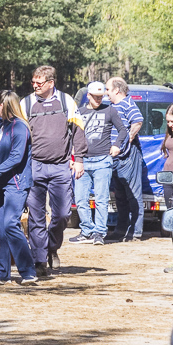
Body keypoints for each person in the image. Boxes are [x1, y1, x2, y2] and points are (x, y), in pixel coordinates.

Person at [21, 65, 82, 275]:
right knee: (36, 216)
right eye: (33, 82)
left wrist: (79, 159)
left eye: (39, 83)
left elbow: (78, 130)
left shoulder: (66, 101)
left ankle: (51, 248)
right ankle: (39, 261)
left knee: (63, 214)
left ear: (50, 83)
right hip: (34, 166)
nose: (35, 86)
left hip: (60, 166)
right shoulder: (26, 103)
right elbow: (19, 133)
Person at [0, 91, 36, 285]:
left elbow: (16, 157)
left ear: (5, 105)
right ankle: (2, 272)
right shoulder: (1, 125)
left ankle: (28, 271)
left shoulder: (20, 127)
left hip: (16, 183)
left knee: (11, 224)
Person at [70, 81, 127, 245]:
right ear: (88, 95)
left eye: (101, 97)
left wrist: (116, 145)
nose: (98, 100)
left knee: (101, 200)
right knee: (80, 199)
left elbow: (123, 130)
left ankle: (99, 233)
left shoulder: (110, 110)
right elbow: (70, 134)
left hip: (103, 161)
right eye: (95, 97)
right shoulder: (79, 112)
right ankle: (86, 231)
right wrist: (71, 157)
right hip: (82, 162)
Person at [107, 77, 145, 242]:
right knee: (120, 195)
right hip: (115, 157)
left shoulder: (128, 103)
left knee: (133, 194)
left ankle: (135, 231)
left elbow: (138, 120)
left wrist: (127, 139)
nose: (106, 93)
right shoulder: (112, 106)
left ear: (116, 90)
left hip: (128, 156)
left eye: (108, 89)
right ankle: (121, 229)